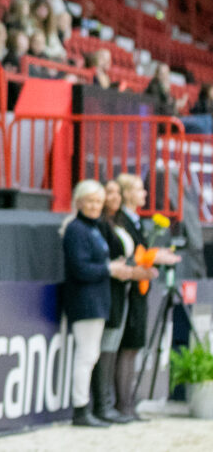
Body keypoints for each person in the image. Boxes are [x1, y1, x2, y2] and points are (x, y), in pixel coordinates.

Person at [61, 179, 137, 427]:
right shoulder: (76, 230)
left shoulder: (94, 229)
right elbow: (80, 268)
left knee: (91, 355)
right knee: (86, 356)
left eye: (98, 201)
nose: (94, 206)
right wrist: (109, 268)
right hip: (85, 302)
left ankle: (87, 407)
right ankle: (81, 410)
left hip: (97, 300)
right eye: (90, 201)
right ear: (79, 202)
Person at [112, 173, 180, 420]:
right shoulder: (120, 221)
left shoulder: (137, 221)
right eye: (140, 189)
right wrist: (152, 257)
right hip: (127, 291)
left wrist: (155, 256)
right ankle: (122, 403)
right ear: (127, 193)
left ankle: (127, 402)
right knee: (126, 347)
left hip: (139, 290)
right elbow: (127, 255)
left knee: (133, 348)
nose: (145, 194)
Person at [90, 179, 140, 424]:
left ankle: (112, 403)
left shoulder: (119, 222)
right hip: (107, 289)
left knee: (113, 347)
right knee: (105, 348)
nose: (115, 197)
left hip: (123, 289)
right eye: (109, 192)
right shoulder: (98, 224)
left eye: (117, 193)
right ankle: (103, 404)